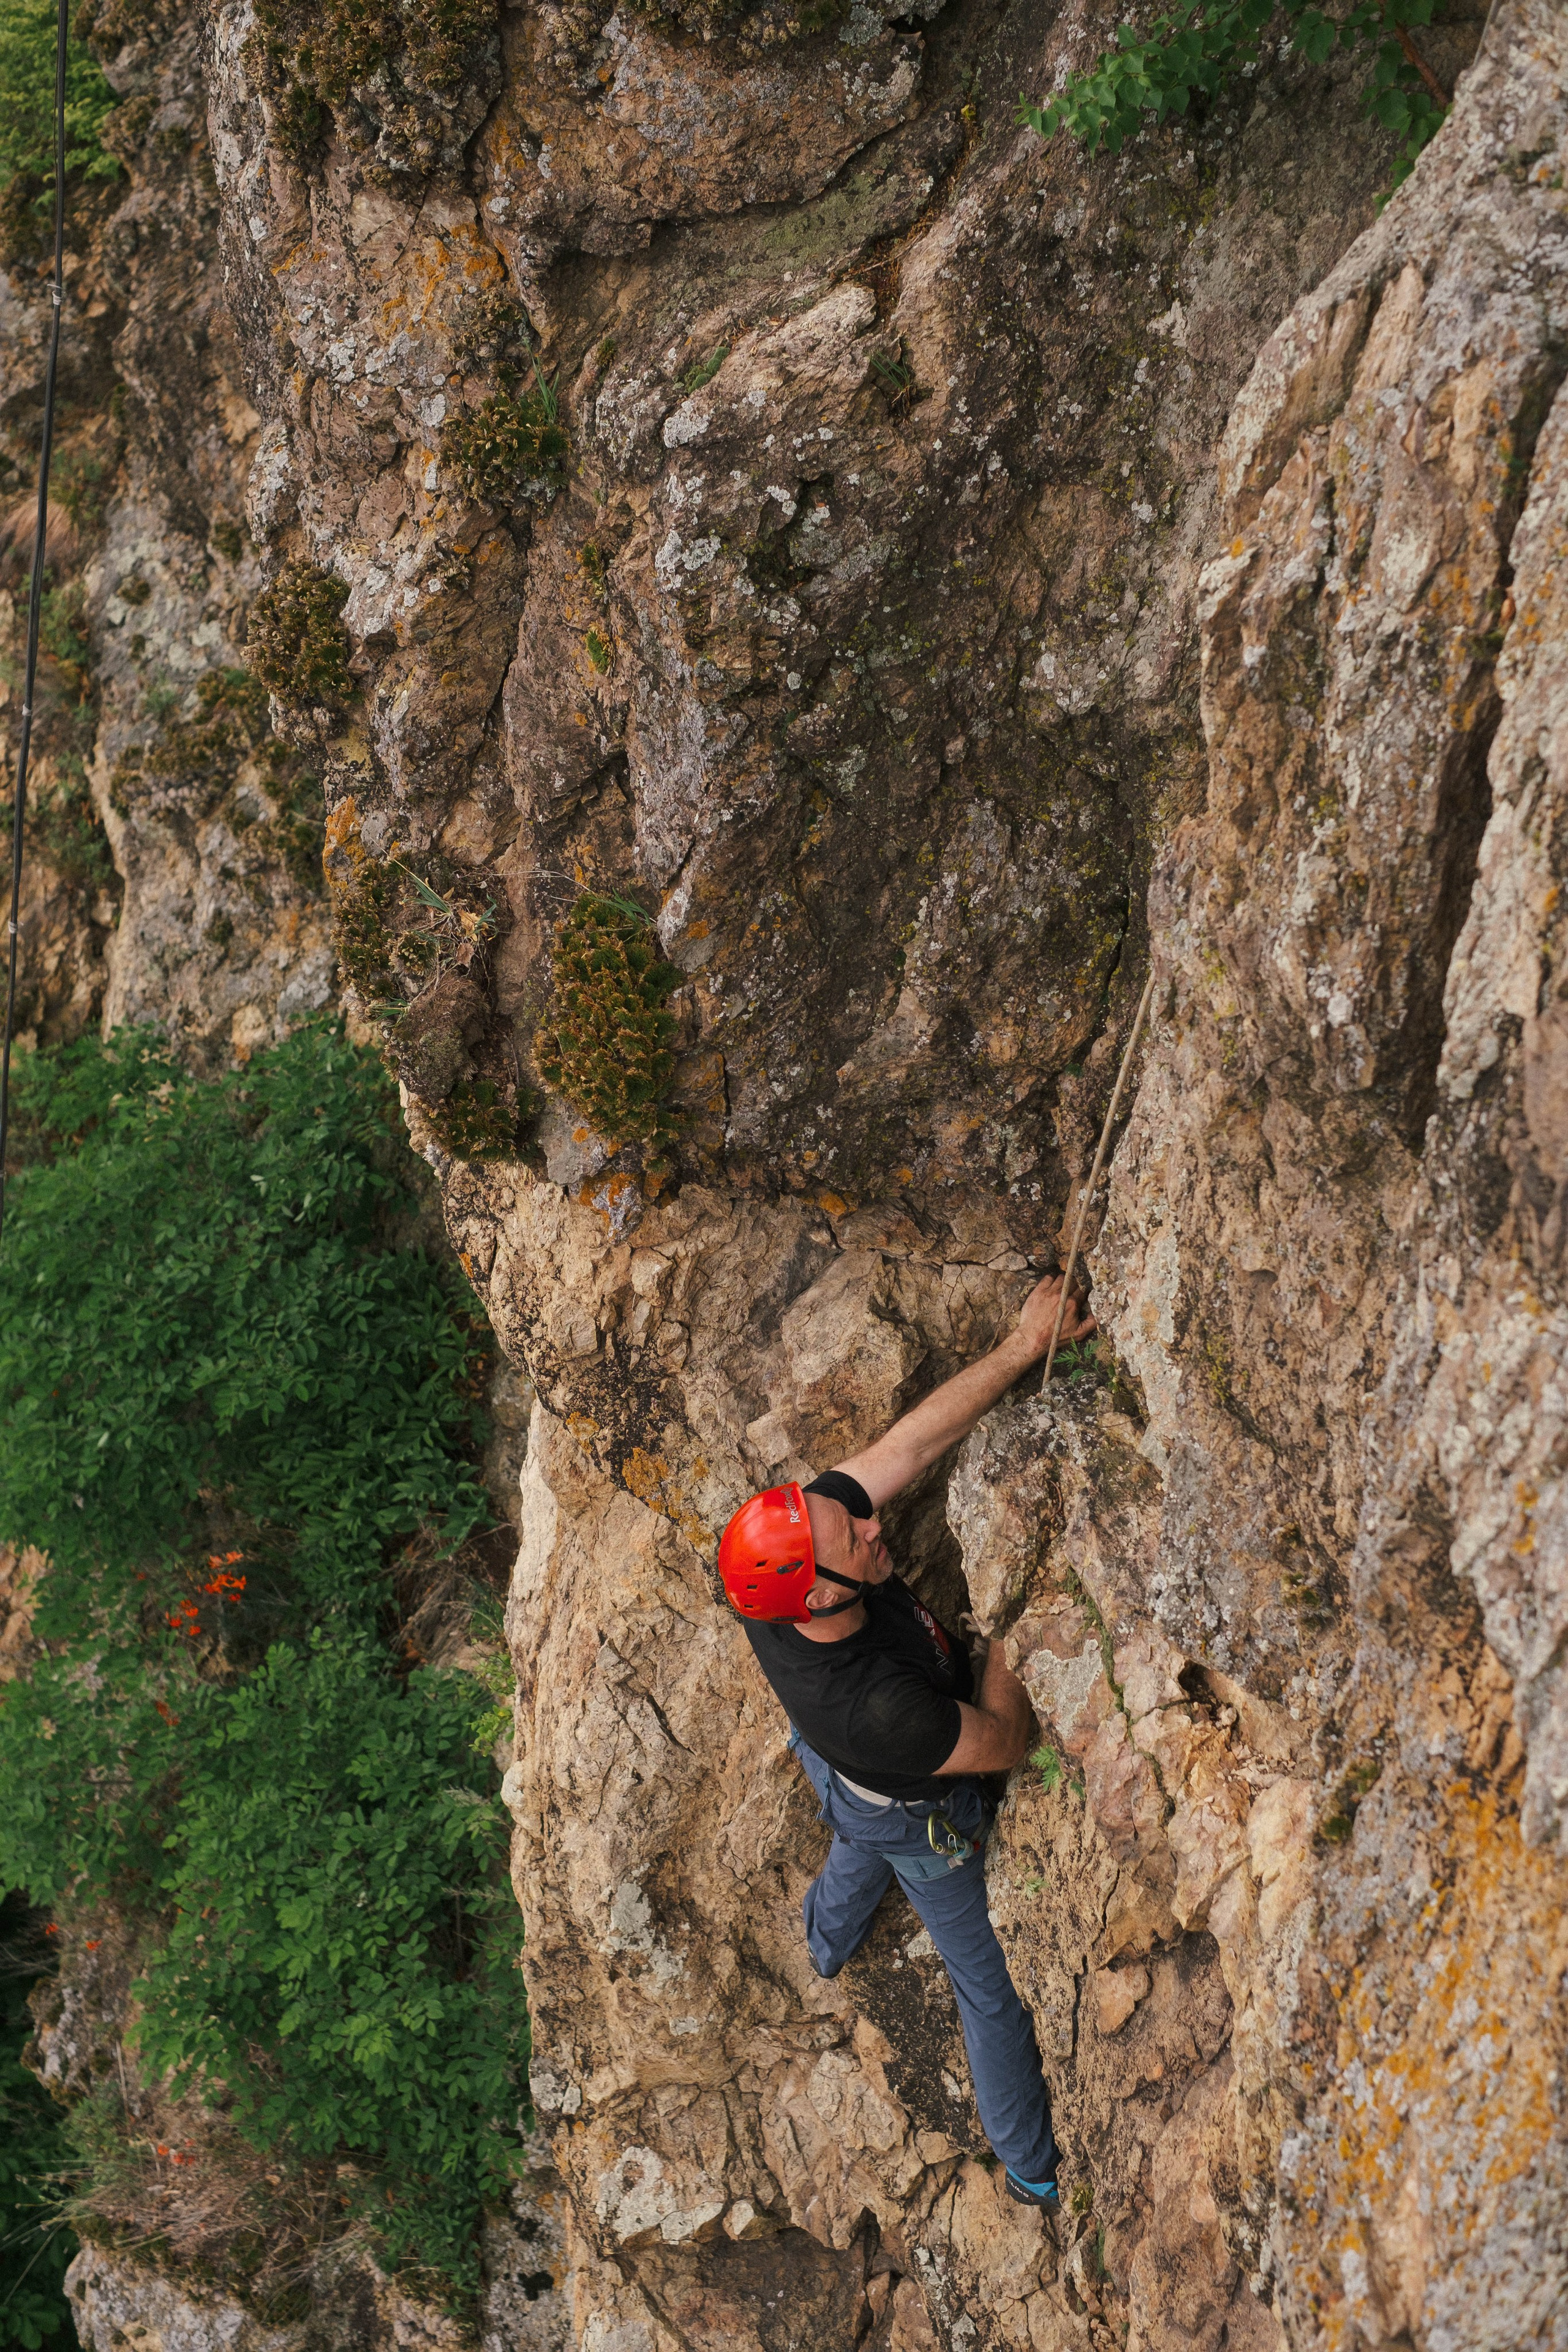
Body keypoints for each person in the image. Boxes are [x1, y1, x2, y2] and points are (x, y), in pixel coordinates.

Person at [718, 1271, 1096, 2212]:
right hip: (910, 1803)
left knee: (852, 1809)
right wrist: (1012, 1618)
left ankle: (825, 1940)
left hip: (843, 1765)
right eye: (855, 1537)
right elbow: (1002, 1741)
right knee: (987, 1987)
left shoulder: (787, 1565)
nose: (872, 1523)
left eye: (849, 1513)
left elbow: (908, 1446)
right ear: (817, 1595)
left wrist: (1024, 1345)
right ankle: (1029, 2169)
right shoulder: (878, 1710)